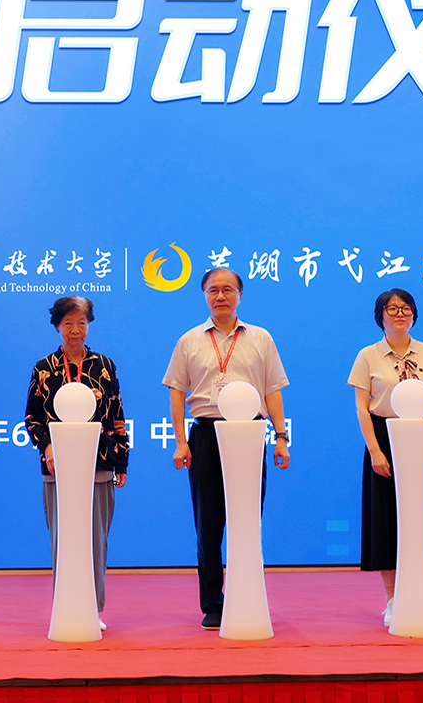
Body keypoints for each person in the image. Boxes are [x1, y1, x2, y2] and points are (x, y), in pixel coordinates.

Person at [163, 266, 291, 630]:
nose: (220, 296)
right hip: (206, 435)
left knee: (247, 520)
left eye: (228, 289)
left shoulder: (261, 338)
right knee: (208, 524)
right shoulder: (189, 340)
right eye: (213, 290)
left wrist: (281, 437)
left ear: (240, 295)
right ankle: (213, 603)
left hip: (249, 435)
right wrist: (181, 442)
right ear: (204, 295)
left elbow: (272, 389)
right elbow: (177, 392)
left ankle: (244, 593)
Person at [347, 288, 423, 628]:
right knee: (386, 520)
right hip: (384, 437)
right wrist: (375, 451)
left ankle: (420, 591)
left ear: (414, 315)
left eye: (405, 308)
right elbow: (362, 408)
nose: (399, 314)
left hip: (421, 438)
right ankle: (393, 599)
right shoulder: (368, 355)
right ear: (380, 315)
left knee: (420, 518)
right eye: (391, 308)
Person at [23, 295, 129, 625]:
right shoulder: (44, 368)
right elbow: (32, 417)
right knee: (63, 538)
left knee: (96, 540)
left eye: (81, 323)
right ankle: (65, 606)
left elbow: (117, 415)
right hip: (57, 468)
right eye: (67, 323)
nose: (75, 330)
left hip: (99, 464)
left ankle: (91, 609)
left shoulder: (104, 365)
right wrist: (47, 448)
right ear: (57, 326)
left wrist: (122, 461)